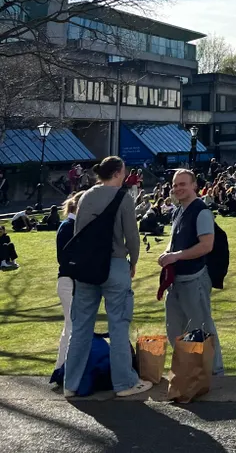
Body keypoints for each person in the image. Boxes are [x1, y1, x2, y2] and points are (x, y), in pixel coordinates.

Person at [63, 156, 151, 399]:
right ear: (117, 173)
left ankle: (71, 383)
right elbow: (132, 236)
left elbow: (79, 232)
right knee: (118, 326)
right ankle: (124, 383)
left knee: (80, 328)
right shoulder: (123, 197)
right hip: (114, 264)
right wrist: (133, 261)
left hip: (86, 267)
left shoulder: (85, 196)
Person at [158, 169, 223, 377]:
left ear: (194, 185)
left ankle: (215, 372)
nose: (178, 188)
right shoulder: (178, 211)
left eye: (182, 184)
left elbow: (206, 245)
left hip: (194, 279)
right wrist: (167, 253)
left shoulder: (201, 211)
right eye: (175, 185)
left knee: (202, 328)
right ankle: (188, 370)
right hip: (176, 281)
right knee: (174, 329)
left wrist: (176, 256)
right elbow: (176, 241)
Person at [52, 193, 83, 378]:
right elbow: (64, 258)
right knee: (72, 326)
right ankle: (64, 370)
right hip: (69, 281)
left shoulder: (74, 226)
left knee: (72, 326)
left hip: (72, 281)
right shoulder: (68, 227)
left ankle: (63, 369)